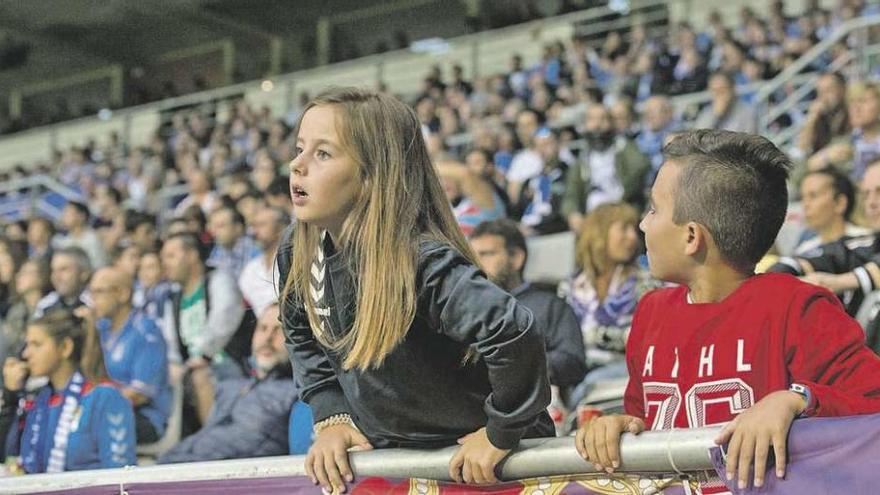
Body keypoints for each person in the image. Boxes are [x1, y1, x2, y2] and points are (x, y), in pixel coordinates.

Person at [279, 88, 552, 494]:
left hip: (492, 468)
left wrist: (500, 431)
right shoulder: (297, 250)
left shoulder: (419, 261)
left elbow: (514, 332)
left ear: (372, 176)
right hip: (407, 465)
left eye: (322, 154)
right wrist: (331, 414)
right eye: (300, 149)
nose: (296, 165)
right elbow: (300, 334)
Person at [575, 130, 880, 493]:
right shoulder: (650, 312)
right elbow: (643, 418)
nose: (643, 223)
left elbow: (872, 399)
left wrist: (795, 399)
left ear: (692, 237)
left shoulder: (799, 307)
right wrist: (619, 427)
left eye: (654, 209)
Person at [156, 304, 300, 463]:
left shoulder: (299, 394)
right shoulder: (230, 387)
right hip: (175, 464)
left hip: (224, 479)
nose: (268, 338)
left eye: (280, 330)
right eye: (262, 328)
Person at [1, 309, 136, 472]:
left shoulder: (105, 397)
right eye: (27, 344)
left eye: (36, 344)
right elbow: (9, 460)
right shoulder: (38, 401)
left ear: (65, 347)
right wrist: (10, 397)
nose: (26, 353)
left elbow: (121, 475)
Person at [559, 203, 658, 406]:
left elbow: (648, 340)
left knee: (590, 384)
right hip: (578, 372)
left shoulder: (646, 282)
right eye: (624, 228)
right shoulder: (570, 286)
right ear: (599, 234)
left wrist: (594, 336)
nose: (632, 236)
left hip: (624, 369)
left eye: (633, 229)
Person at [469, 219, 586, 390]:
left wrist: (513, 365)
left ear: (516, 258)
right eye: (472, 256)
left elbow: (572, 362)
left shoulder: (550, 306)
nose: (476, 264)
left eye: (486, 254)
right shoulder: (465, 309)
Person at [83, 267, 171, 444]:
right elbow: (89, 374)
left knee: (82, 429)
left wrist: (89, 410)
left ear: (122, 294)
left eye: (99, 292)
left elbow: (139, 395)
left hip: (145, 417)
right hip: (107, 409)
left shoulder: (146, 331)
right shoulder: (102, 329)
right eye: (91, 293)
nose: (93, 301)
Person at [792, 167, 867, 256]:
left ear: (840, 203)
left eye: (813, 196)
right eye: (802, 197)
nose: (805, 204)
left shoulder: (867, 243)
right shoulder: (803, 252)